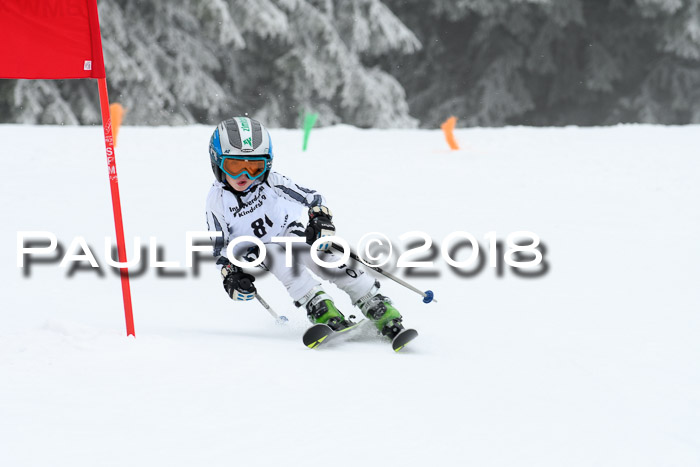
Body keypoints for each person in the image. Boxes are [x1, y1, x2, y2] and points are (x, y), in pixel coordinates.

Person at [205, 116, 409, 342]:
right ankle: (322, 309)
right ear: (218, 163)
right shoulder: (217, 202)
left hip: (290, 232)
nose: (245, 176)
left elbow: (312, 198)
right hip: (260, 249)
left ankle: (376, 304)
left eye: (254, 167)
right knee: (286, 266)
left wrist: (319, 216)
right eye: (234, 166)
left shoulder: (272, 181)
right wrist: (230, 275)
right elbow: (220, 247)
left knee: (326, 259)